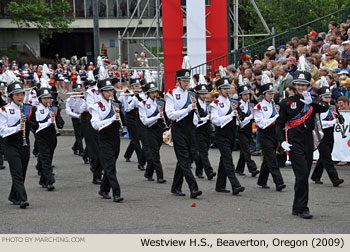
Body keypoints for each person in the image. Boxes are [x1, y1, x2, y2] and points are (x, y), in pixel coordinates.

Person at [276, 59, 329, 219]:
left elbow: (325, 107)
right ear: (294, 85)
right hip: (294, 144)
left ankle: (296, 206)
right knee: (302, 173)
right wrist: (281, 142)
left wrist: (312, 101)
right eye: (298, 85)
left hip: (308, 142)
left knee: (303, 176)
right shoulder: (287, 103)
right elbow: (279, 124)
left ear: (307, 86)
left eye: (303, 85)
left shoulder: (311, 100)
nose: (300, 87)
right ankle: (303, 207)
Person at [164, 58, 202, 198]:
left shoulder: (192, 94)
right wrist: (187, 109)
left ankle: (175, 186)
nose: (187, 83)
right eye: (184, 80)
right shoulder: (171, 94)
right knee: (184, 159)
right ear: (178, 80)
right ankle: (193, 188)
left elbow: (196, 114)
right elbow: (170, 114)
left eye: (188, 80)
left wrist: (197, 116)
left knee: (191, 156)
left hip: (190, 128)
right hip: (178, 129)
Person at [0, 82, 34, 208]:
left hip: (24, 143)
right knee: (17, 171)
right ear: (11, 96)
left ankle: (13, 195)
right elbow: (2, 131)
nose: (20, 97)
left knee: (23, 171)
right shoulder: (4, 110)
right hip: (11, 143)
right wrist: (18, 127)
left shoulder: (26, 108)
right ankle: (22, 198)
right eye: (17, 95)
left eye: (22, 94)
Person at [209, 77, 245, 195]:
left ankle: (220, 185)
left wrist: (239, 114)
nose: (227, 90)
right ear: (219, 90)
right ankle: (235, 185)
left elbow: (240, 116)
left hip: (231, 133)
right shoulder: (215, 104)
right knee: (228, 160)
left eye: (227, 88)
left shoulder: (232, 101)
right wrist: (230, 115)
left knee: (223, 160)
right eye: (224, 88)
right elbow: (216, 120)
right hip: (221, 134)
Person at [91, 79, 123, 203]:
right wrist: (111, 119)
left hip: (115, 137)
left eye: (111, 90)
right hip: (104, 138)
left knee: (111, 164)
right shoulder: (96, 106)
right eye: (107, 91)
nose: (110, 93)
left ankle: (103, 189)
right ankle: (116, 192)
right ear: (101, 92)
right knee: (110, 166)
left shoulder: (115, 104)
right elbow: (95, 124)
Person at [253, 75, 286, 191]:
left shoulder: (274, 105)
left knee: (268, 159)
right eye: (269, 94)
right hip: (264, 135)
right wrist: (276, 117)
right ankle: (279, 183)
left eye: (272, 94)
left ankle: (261, 180)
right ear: (264, 95)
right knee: (272, 160)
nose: (271, 96)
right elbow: (261, 123)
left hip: (273, 135)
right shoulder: (259, 107)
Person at [311, 85, 345, 186]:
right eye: (325, 97)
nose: (328, 99)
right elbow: (319, 123)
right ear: (321, 97)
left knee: (323, 157)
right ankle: (335, 179)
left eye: (329, 97)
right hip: (321, 135)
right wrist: (332, 122)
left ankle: (315, 176)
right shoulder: (318, 108)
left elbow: (339, 117)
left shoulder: (332, 107)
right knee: (327, 159)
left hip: (330, 135)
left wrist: (340, 119)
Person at [34, 86, 63, 191]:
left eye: (48, 98)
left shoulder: (52, 108)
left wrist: (56, 118)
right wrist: (49, 121)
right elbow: (39, 124)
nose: (47, 100)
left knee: (49, 156)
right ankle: (50, 181)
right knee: (45, 157)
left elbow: (60, 123)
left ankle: (43, 180)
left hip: (51, 134)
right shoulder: (37, 109)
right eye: (44, 98)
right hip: (41, 135)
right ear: (40, 99)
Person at [138, 80, 166, 184]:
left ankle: (148, 173)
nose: (155, 94)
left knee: (156, 151)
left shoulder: (158, 103)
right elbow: (145, 121)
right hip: (149, 130)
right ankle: (160, 176)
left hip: (158, 129)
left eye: (155, 92)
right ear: (148, 93)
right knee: (155, 153)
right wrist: (157, 116)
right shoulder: (143, 104)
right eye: (152, 92)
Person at [119, 71, 145, 170]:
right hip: (130, 118)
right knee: (135, 139)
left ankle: (127, 154)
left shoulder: (140, 95)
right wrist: (127, 95)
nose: (137, 88)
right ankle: (140, 160)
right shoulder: (127, 95)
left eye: (138, 86)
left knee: (136, 137)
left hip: (138, 117)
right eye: (135, 86)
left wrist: (137, 96)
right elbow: (127, 108)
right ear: (132, 86)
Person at [193, 76, 216, 180]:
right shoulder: (195, 104)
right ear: (198, 94)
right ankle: (209, 171)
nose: (204, 95)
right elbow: (197, 120)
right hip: (198, 130)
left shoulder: (206, 103)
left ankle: (198, 170)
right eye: (202, 93)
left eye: (205, 93)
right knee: (203, 151)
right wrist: (208, 116)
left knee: (204, 151)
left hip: (207, 129)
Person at [235, 84, 259, 177]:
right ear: (240, 95)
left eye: (248, 94)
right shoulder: (237, 105)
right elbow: (240, 120)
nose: (247, 96)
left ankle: (239, 169)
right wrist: (250, 117)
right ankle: (253, 169)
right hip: (241, 130)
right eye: (244, 94)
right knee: (246, 150)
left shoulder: (251, 105)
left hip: (248, 129)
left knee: (243, 151)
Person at [66, 80, 84, 156]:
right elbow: (68, 111)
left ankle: (75, 147)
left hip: (82, 116)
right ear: (73, 91)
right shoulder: (69, 100)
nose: (78, 92)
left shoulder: (83, 98)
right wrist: (77, 116)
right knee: (78, 134)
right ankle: (81, 150)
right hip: (75, 117)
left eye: (79, 91)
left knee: (82, 134)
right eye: (77, 91)